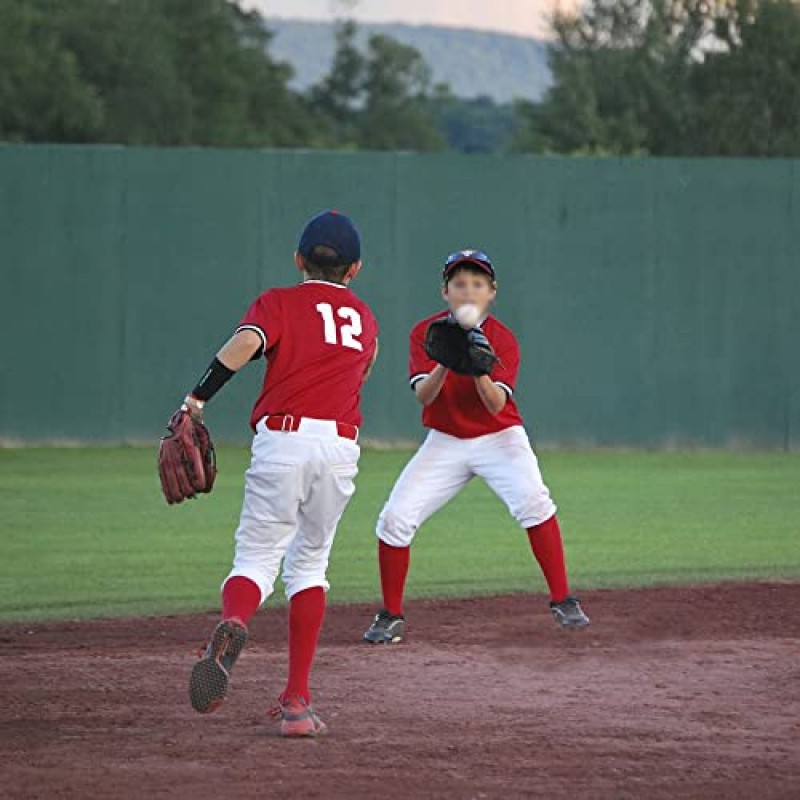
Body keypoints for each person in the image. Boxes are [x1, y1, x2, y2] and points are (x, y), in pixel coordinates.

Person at [174, 210, 378, 736]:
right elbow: (361, 371)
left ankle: (236, 622)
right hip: (339, 447)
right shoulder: (364, 319)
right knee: (310, 566)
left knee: (257, 557)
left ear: (298, 260)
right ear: (354, 269)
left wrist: (196, 400)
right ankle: (296, 705)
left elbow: (246, 344)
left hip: (284, 441)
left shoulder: (280, 302)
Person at [363, 249, 588, 645]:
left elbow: (496, 404)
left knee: (535, 502)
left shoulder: (502, 339)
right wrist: (446, 360)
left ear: (491, 292)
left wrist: (479, 367)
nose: (469, 290)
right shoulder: (426, 333)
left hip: (499, 436)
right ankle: (391, 614)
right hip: (446, 440)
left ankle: (563, 599)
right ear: (445, 292)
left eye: (478, 284)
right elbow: (423, 396)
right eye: (460, 283)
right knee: (395, 520)